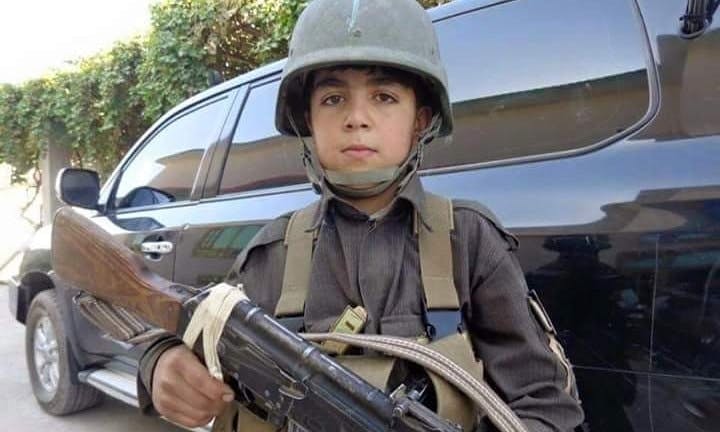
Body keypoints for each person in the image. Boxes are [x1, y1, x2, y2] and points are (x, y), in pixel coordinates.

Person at [136, 0, 585, 430]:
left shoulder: (468, 240)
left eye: (385, 97)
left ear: (420, 121)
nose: (357, 118)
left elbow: (544, 402)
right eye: (333, 99)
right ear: (307, 121)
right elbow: (200, 333)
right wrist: (162, 364)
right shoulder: (272, 252)